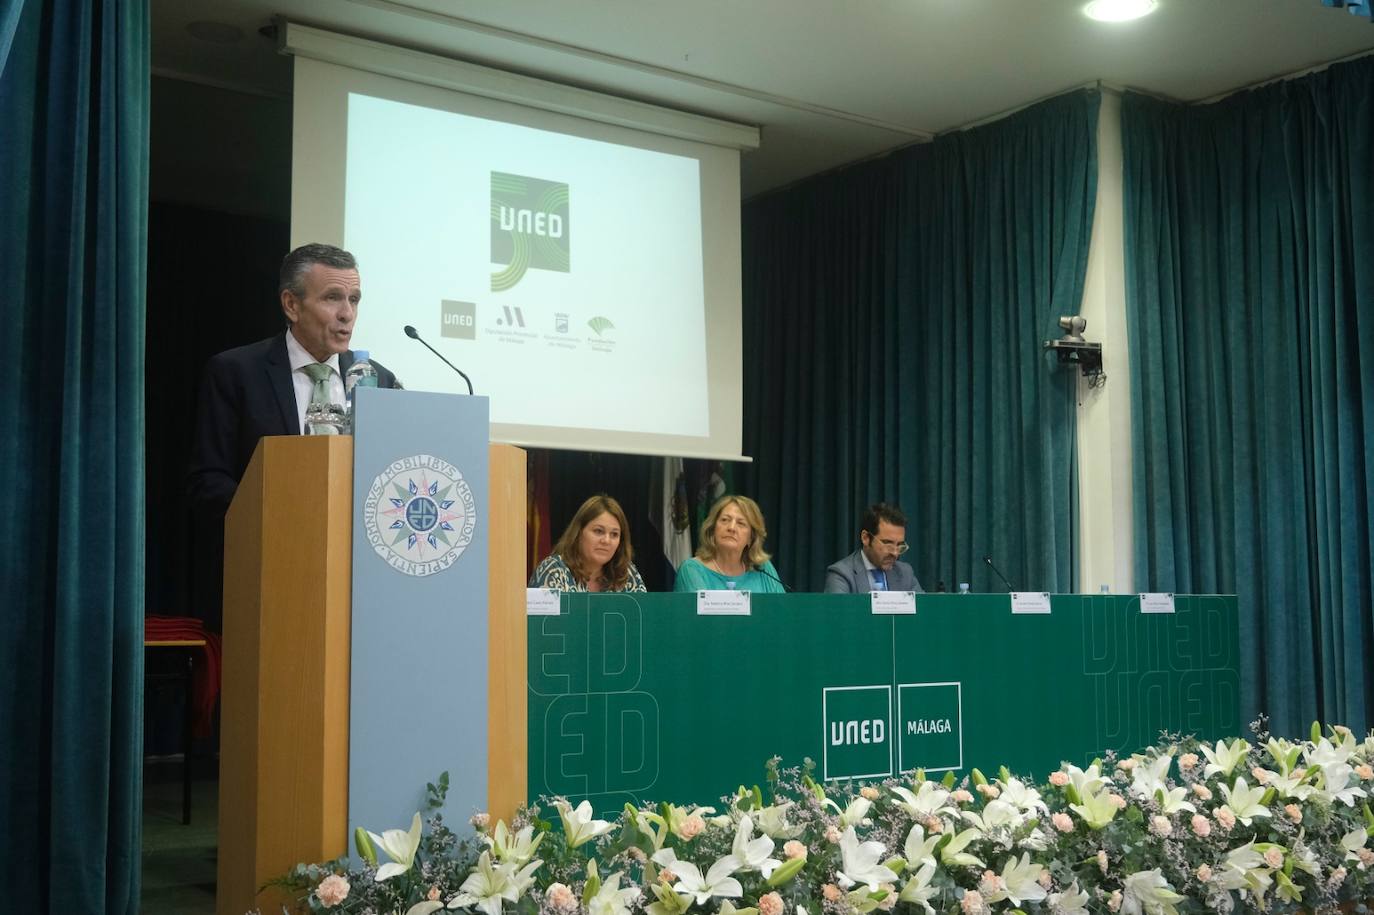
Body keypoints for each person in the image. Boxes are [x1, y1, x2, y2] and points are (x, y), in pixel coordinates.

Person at [185, 243, 400, 629]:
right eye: (332, 297)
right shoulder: (236, 372)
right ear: (291, 304)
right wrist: (284, 521)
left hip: (357, 588)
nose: (347, 314)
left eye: (353, 299)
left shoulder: (379, 381)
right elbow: (208, 482)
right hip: (266, 580)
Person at [529, 494, 647, 592]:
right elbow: (545, 620)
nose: (606, 540)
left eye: (614, 534)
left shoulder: (626, 573)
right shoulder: (553, 570)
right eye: (598, 531)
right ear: (578, 533)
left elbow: (644, 618)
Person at [673, 495, 786, 593]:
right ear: (713, 530)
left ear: (751, 538)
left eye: (741, 523)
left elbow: (782, 612)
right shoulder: (692, 570)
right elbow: (699, 617)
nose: (731, 528)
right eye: (725, 520)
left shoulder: (763, 568)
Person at [824, 502, 923, 593]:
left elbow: (924, 610)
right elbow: (840, 612)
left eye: (899, 545)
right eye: (888, 544)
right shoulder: (842, 574)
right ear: (865, 538)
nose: (895, 553)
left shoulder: (905, 573)